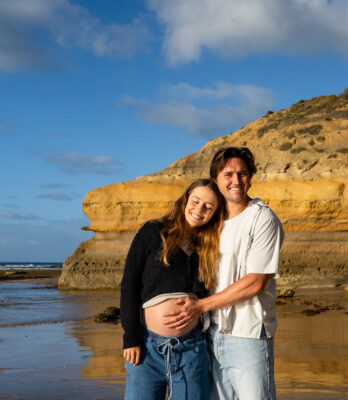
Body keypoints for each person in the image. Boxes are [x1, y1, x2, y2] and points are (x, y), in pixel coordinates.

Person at [164, 147, 284, 400]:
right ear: (216, 178)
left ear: (250, 177)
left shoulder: (262, 219)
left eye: (242, 173)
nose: (236, 180)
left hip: (248, 333)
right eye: (228, 174)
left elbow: (255, 283)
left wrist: (199, 306)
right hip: (209, 333)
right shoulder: (210, 221)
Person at [120, 178, 226, 400]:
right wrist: (130, 337)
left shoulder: (210, 246)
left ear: (215, 213)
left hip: (192, 350)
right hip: (146, 349)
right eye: (195, 201)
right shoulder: (152, 232)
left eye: (209, 206)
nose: (199, 209)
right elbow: (129, 285)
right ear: (185, 199)